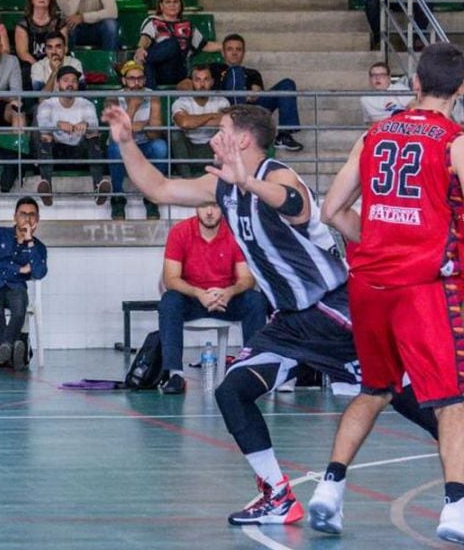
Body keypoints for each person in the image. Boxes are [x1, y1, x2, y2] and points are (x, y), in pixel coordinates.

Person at [101, 101, 437, 527]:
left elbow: (295, 204)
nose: (214, 138)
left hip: (333, 310)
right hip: (289, 322)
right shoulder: (222, 184)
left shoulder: (276, 175)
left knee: (403, 395)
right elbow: (160, 189)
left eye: (221, 129)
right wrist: (127, 144)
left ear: (242, 140)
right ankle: (277, 494)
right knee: (232, 393)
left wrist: (251, 184)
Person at [309, 43, 464, 542]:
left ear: (414, 84)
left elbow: (332, 210)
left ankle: (328, 490)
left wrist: (377, 239)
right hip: (421, 287)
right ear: (459, 92)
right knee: (450, 400)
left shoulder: (375, 134)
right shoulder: (453, 141)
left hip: (368, 284)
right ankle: (456, 509)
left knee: (374, 389)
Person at [157, 202, 268, 394]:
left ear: (223, 209)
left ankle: (252, 370)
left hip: (226, 298)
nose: (209, 212)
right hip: (193, 298)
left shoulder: (235, 232)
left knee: (256, 301)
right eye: (204, 206)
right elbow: (170, 279)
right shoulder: (180, 232)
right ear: (196, 208)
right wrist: (199, 293)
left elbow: (246, 279)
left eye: (215, 207)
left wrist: (229, 292)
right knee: (169, 301)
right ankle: (175, 374)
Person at [0, 197, 47, 371]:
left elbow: (39, 273)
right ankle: (13, 346)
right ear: (14, 217)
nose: (27, 219)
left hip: (16, 289)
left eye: (32, 215)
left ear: (37, 220)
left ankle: (5, 349)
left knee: (19, 308)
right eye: (23, 214)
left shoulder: (38, 247)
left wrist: (29, 241)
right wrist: (18, 269)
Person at [210, 33, 303, 152]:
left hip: (250, 110)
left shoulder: (252, 72)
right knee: (235, 71)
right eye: (229, 49)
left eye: (238, 49)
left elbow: (257, 90)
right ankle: (237, 125)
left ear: (244, 53)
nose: (234, 53)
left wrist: (255, 93)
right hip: (226, 108)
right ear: (223, 52)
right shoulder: (214, 69)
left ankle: (284, 135)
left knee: (287, 84)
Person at [35, 65, 108, 206]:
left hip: (79, 152)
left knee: (93, 135)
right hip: (56, 153)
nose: (70, 84)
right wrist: (57, 125)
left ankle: (98, 186)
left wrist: (86, 125)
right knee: (45, 137)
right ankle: (47, 188)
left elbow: (94, 124)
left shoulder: (86, 104)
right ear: (57, 84)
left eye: (74, 81)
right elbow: (42, 125)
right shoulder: (47, 104)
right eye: (66, 80)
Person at [104, 60, 166, 220]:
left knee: (160, 147)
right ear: (124, 80)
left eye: (140, 78)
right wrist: (132, 107)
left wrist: (131, 125)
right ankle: (117, 198)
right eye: (131, 78)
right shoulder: (113, 99)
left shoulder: (153, 96)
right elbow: (116, 135)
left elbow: (155, 133)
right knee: (115, 148)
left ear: (144, 80)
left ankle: (152, 197)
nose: (136, 82)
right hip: (123, 147)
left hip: (145, 145)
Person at [134, 0, 220, 90]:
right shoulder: (153, 21)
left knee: (171, 45)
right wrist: (141, 48)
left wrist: (224, 46)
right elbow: (145, 38)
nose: (172, 5)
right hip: (158, 70)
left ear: (180, 5)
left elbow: (204, 45)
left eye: (175, 2)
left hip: (177, 70)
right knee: (156, 58)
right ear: (161, 6)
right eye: (168, 2)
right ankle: (153, 98)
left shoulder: (187, 25)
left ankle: (144, 64)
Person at [171, 64, 229, 178]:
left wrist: (193, 120)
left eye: (206, 79)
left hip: (211, 149)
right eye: (197, 80)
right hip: (188, 149)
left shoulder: (222, 101)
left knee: (226, 132)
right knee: (175, 133)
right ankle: (187, 179)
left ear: (212, 82)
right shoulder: (182, 101)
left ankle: (217, 176)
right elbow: (184, 123)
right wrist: (212, 116)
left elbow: (225, 122)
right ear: (192, 82)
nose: (202, 84)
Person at [14, 0, 66, 87]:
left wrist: (51, 64)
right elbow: (22, 53)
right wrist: (39, 66)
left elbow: (65, 47)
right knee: (26, 72)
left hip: (55, 60)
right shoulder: (23, 25)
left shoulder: (60, 23)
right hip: (31, 63)